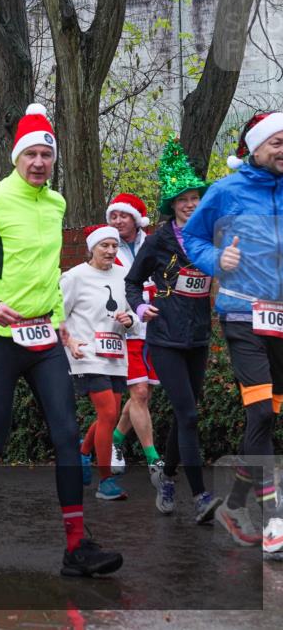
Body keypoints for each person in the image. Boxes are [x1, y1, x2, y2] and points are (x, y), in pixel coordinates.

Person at [0, 103, 123, 576]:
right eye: (31, 154)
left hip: (42, 339)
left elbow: (48, 270)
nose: (39, 162)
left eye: (46, 155)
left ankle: (76, 547)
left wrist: (58, 321)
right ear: (16, 157)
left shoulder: (55, 204)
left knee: (66, 435)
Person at [182, 111, 283, 558]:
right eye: (277, 142)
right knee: (259, 412)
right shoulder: (226, 191)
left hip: (281, 319)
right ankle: (274, 522)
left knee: (267, 418)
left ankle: (236, 504)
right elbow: (193, 239)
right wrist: (216, 260)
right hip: (243, 314)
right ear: (255, 147)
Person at [126, 138, 222, 523]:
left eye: (195, 197)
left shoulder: (210, 235)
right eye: (182, 199)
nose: (190, 204)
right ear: (172, 205)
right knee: (189, 415)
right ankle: (199, 496)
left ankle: (166, 477)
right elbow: (132, 282)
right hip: (164, 338)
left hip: (197, 336)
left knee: (187, 415)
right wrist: (140, 307)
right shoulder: (158, 241)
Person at [63, 226, 138, 501]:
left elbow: (133, 313)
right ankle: (105, 480)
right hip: (86, 355)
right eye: (104, 245)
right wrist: (70, 343)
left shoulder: (124, 275)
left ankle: (83, 453)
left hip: (115, 355)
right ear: (91, 248)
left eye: (114, 246)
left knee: (110, 415)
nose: (110, 251)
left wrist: (130, 320)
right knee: (107, 413)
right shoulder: (74, 277)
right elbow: (58, 315)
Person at [106, 192, 163, 478]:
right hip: (125, 329)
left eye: (123, 216)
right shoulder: (107, 247)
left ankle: (114, 440)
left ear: (136, 219)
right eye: (113, 216)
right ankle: (154, 460)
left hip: (155, 328)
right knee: (138, 392)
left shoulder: (153, 244)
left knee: (145, 394)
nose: (118, 221)